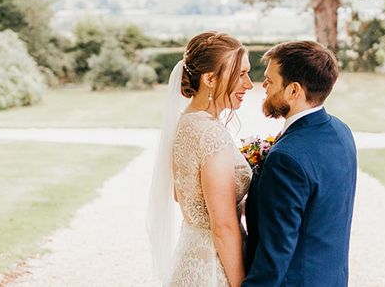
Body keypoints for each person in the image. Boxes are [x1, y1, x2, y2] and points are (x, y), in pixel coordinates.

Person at [243, 41, 357, 287]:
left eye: (270, 81)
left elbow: (275, 253)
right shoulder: (341, 131)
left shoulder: (286, 157)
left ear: (293, 90)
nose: (263, 86)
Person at [147, 32, 254, 287]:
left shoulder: (185, 122)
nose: (249, 84)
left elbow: (180, 193)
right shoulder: (210, 134)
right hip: (214, 266)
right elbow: (224, 226)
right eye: (240, 74)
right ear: (209, 78)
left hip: (191, 253)